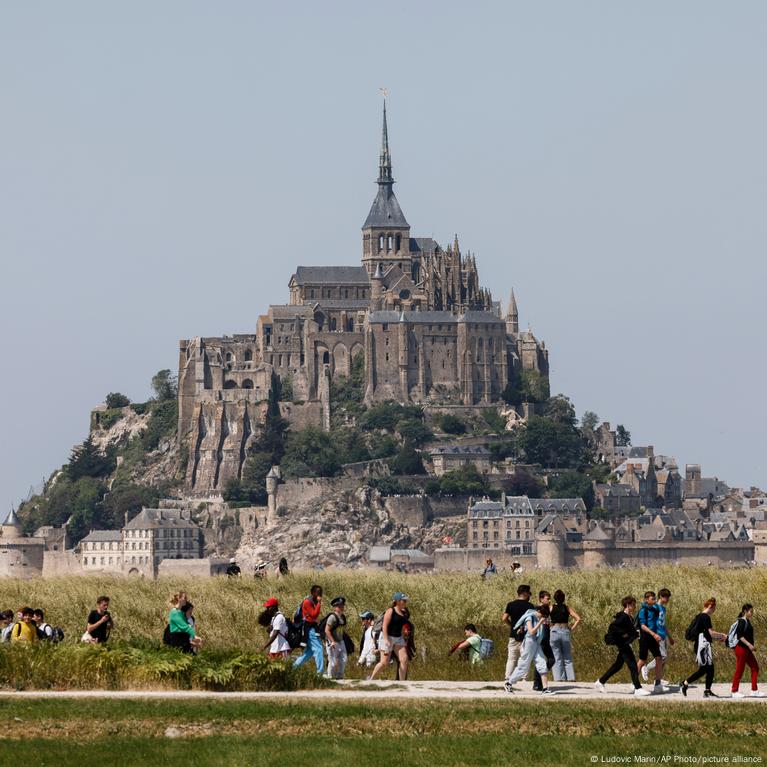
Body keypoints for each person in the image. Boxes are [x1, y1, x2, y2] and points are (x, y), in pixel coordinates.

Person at [595, 596, 650, 696]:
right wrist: (623, 634)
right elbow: (613, 627)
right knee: (633, 665)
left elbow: (630, 630)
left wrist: (635, 634)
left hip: (625, 643)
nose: (634, 606)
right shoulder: (622, 616)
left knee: (618, 665)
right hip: (622, 644)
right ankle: (638, 688)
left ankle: (601, 681)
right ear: (628, 605)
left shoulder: (629, 617)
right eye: (633, 605)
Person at [680, 597, 727, 698]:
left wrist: (719, 638)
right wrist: (723, 636)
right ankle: (685, 683)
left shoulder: (699, 616)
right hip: (702, 647)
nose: (714, 610)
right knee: (705, 668)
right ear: (710, 606)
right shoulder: (705, 617)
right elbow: (711, 633)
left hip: (701, 645)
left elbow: (705, 634)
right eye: (714, 608)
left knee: (710, 668)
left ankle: (707, 690)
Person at [505, 605, 555, 694]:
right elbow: (531, 631)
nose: (543, 617)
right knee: (523, 666)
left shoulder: (539, 617)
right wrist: (540, 623)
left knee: (542, 663)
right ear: (539, 611)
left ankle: (545, 689)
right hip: (529, 642)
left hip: (536, 642)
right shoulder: (529, 617)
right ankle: (509, 683)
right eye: (542, 615)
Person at [370, 592, 411, 681]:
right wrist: (386, 640)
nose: (405, 602)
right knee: (384, 662)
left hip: (398, 638)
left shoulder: (405, 612)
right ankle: (371, 679)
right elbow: (384, 625)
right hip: (387, 636)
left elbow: (402, 626)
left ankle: (402, 682)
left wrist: (404, 633)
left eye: (405, 600)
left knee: (404, 659)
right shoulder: (390, 610)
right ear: (397, 601)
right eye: (403, 600)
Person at [636, 591, 669, 693]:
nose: (654, 600)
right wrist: (654, 634)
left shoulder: (655, 609)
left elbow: (660, 622)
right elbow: (643, 626)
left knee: (659, 658)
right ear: (646, 600)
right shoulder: (643, 611)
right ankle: (634, 682)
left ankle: (657, 684)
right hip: (645, 637)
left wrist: (660, 634)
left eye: (655, 599)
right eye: (652, 599)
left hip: (654, 637)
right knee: (642, 660)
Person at [730, 603, 763, 698]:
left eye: (752, 611)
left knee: (755, 667)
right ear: (745, 611)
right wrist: (749, 645)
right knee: (740, 670)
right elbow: (739, 636)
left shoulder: (747, 621)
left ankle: (754, 690)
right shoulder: (742, 621)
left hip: (747, 650)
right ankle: (734, 691)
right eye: (750, 611)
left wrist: (751, 646)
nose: (752, 613)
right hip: (741, 649)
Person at [502, 584, 534, 681]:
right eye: (529, 593)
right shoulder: (530, 606)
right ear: (525, 593)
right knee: (525, 658)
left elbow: (504, 618)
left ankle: (508, 677)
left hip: (513, 635)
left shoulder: (510, 605)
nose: (530, 596)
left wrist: (512, 625)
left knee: (511, 658)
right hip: (526, 636)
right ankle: (524, 678)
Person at [549, 589, 581, 682]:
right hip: (565, 630)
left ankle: (559, 678)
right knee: (567, 656)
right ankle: (571, 678)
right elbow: (578, 619)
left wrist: (550, 626)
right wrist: (571, 628)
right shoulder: (566, 608)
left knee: (556, 656)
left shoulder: (551, 607)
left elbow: (545, 617)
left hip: (554, 630)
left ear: (554, 598)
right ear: (563, 598)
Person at [292, 585, 324, 674]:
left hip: (311, 627)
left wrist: (317, 603)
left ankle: (293, 667)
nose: (320, 594)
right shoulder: (307, 602)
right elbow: (314, 614)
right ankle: (320, 672)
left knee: (309, 652)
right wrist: (319, 603)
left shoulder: (313, 602)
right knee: (319, 649)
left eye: (321, 592)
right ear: (312, 593)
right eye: (318, 592)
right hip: (308, 628)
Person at [533, 591, 556, 691]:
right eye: (547, 598)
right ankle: (537, 683)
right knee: (542, 661)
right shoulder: (538, 609)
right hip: (541, 639)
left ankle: (539, 681)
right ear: (541, 599)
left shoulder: (547, 609)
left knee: (551, 660)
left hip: (546, 638)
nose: (549, 600)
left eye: (549, 598)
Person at [325, 596, 348, 679]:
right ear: (335, 607)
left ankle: (340, 676)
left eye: (342, 605)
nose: (342, 607)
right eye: (339, 606)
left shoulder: (342, 617)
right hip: (332, 642)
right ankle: (330, 677)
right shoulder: (332, 617)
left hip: (341, 641)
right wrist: (332, 641)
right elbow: (327, 630)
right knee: (333, 661)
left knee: (344, 659)